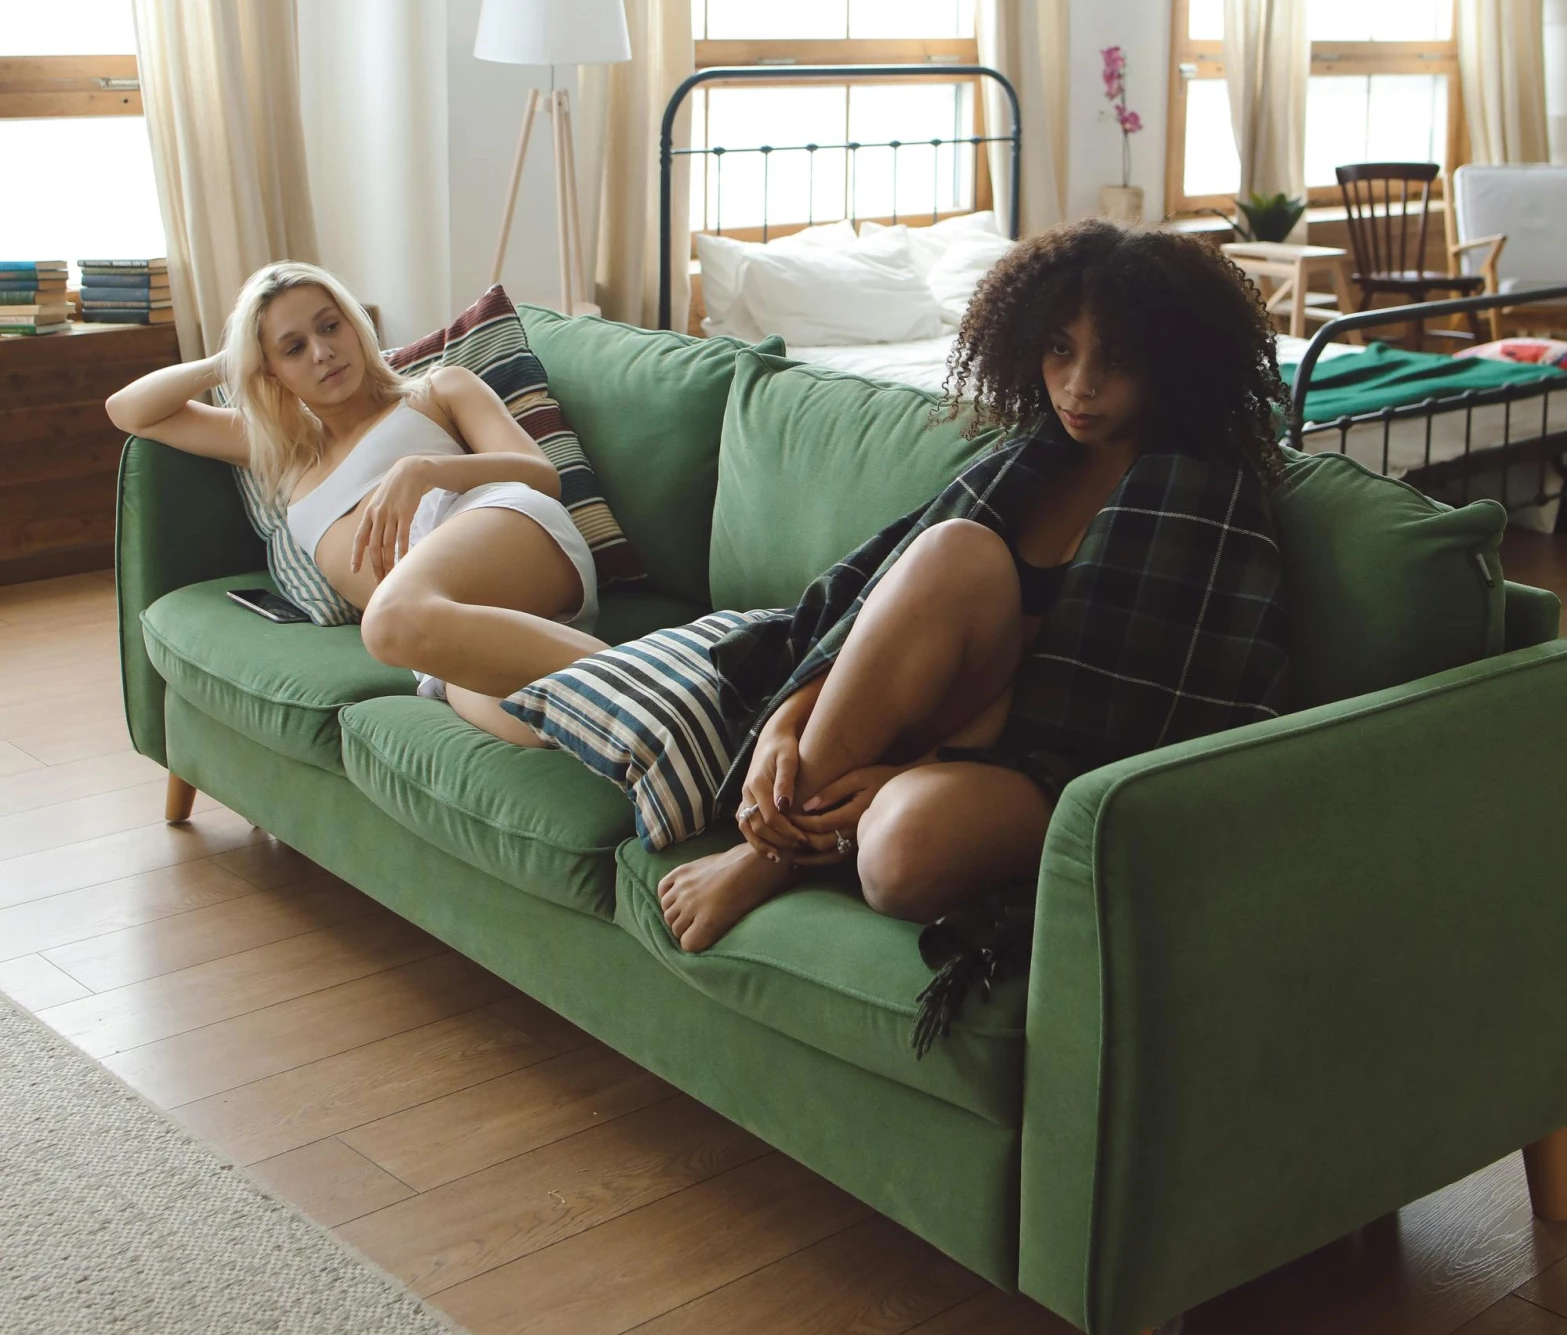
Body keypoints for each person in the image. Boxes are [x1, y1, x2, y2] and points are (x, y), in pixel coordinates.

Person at [658, 219, 1290, 957]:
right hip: (926, 730)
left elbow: (1141, 719)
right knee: (952, 548)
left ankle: (781, 849)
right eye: (1060, 349)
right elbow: (865, 614)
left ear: (1171, 366)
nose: (1078, 385)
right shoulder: (1019, 467)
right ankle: (781, 848)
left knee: (900, 856)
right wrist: (786, 725)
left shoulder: (1203, 502)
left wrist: (907, 775)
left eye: (1114, 360)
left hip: (1053, 771)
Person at [105, 262, 604, 742]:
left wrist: (427, 468)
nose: (322, 352)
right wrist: (232, 359)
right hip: (434, 629)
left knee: (386, 623)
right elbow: (128, 410)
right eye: (294, 348)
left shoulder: (438, 389)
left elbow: (542, 477)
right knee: (531, 728)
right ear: (270, 370)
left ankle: (658, 677)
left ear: (354, 325)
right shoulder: (284, 449)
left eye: (330, 326)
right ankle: (652, 684)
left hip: (505, 530)